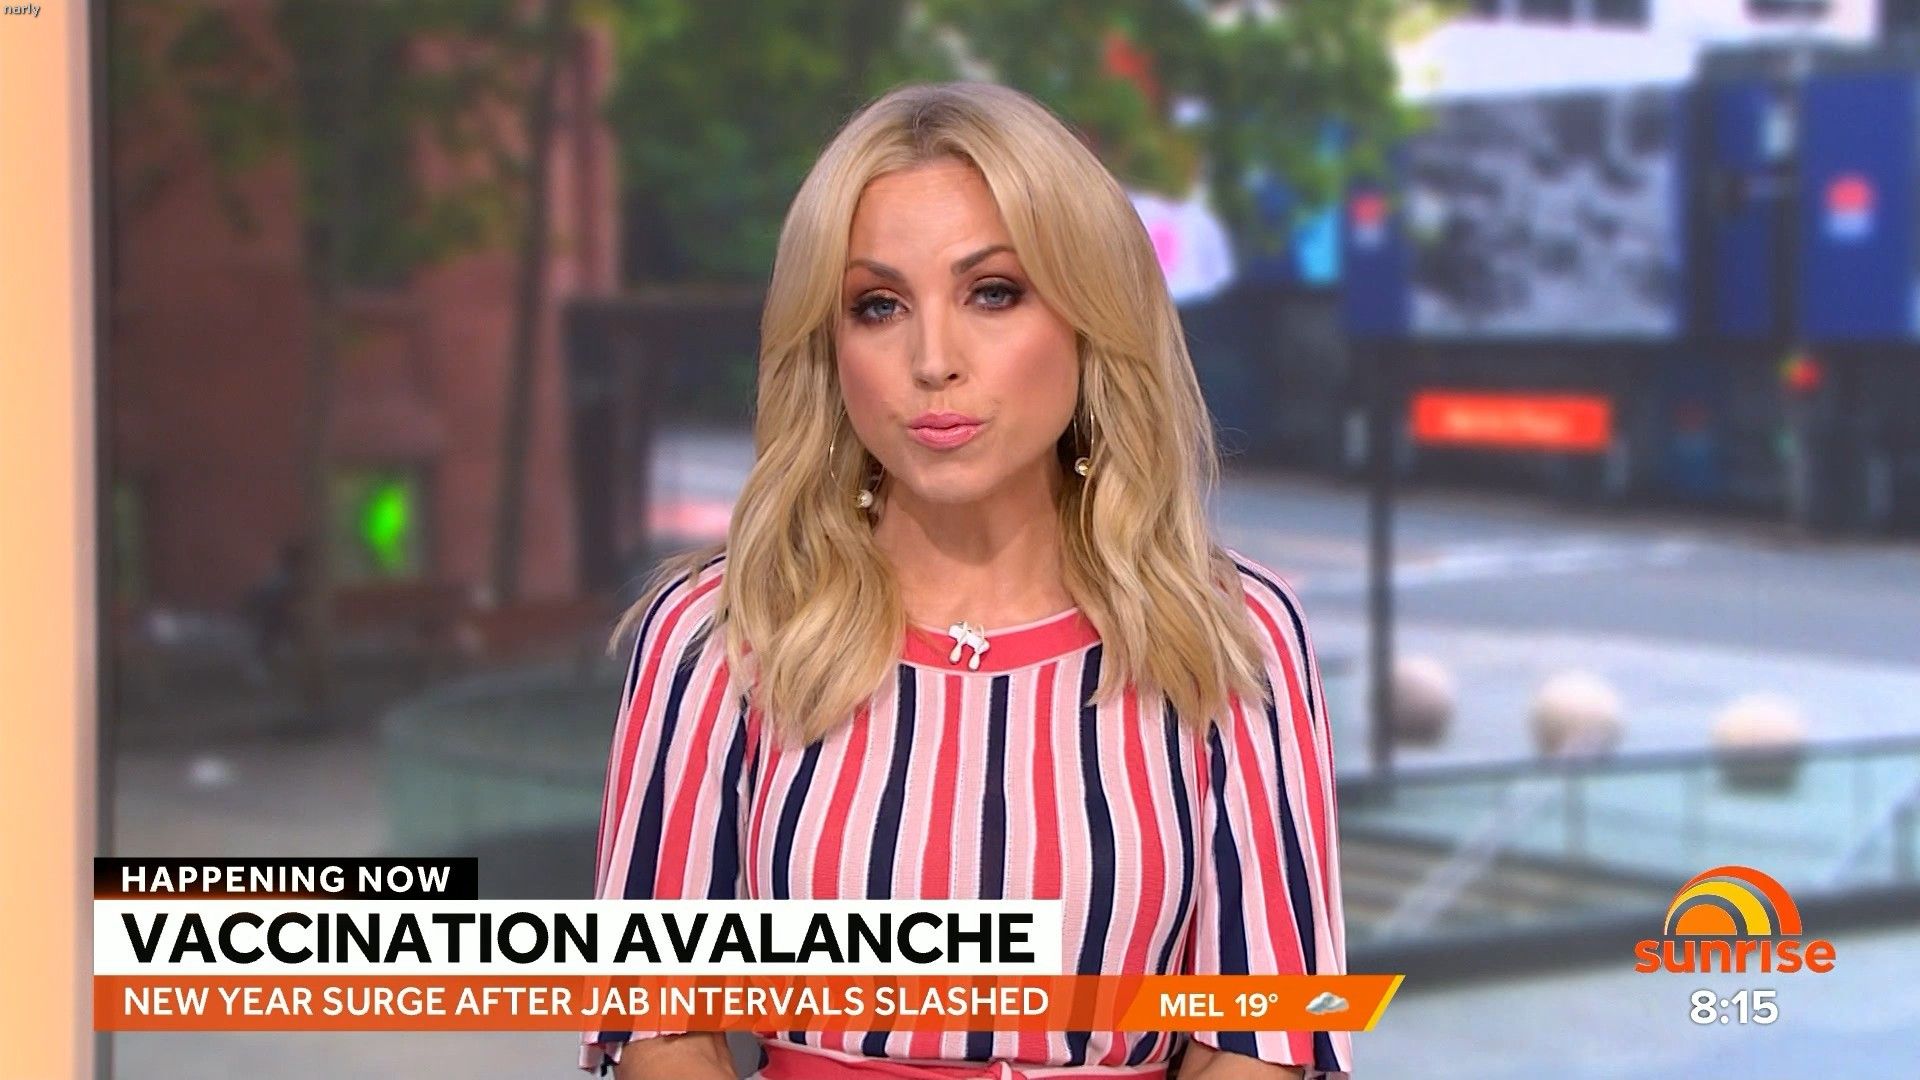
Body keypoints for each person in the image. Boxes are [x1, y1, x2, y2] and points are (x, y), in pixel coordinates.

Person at [582, 81, 1347, 1080]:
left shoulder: (1233, 634)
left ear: (1090, 316)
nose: (932, 359)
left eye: (993, 292)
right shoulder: (716, 633)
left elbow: (1262, 1036)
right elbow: (660, 1026)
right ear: (831, 345)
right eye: (878, 306)